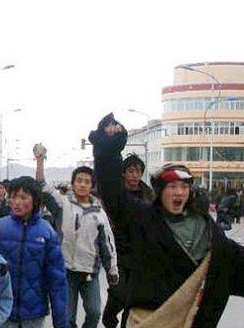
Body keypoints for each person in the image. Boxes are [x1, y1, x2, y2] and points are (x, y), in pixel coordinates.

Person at [90, 115, 244, 328]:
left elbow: (240, 262)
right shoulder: (142, 218)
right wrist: (108, 149)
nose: (178, 192)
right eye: (172, 187)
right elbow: (113, 193)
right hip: (147, 321)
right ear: (160, 191)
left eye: (184, 187)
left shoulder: (205, 229)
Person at [35, 152, 118, 328]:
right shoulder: (62, 204)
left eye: (86, 182)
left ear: (92, 186)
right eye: (79, 180)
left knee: (95, 312)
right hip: (65, 271)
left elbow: (107, 244)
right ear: (73, 184)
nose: (82, 184)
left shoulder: (99, 213)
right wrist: (40, 161)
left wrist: (112, 270)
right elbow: (42, 185)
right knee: (67, 318)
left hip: (90, 271)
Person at [88, 114, 154, 328]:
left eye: (138, 171)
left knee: (136, 299)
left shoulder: (149, 195)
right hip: (118, 248)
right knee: (119, 292)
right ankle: (109, 316)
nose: (135, 175)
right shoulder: (116, 194)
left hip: (142, 251)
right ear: (123, 173)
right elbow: (105, 169)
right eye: (131, 171)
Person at [0, 176, 69, 328]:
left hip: (34, 313)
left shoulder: (47, 232)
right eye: (14, 196)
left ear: (35, 200)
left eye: (23, 197)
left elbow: (57, 280)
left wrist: (61, 322)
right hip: (1, 311)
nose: (17, 202)